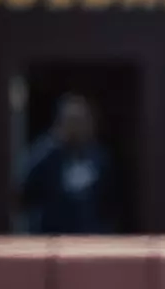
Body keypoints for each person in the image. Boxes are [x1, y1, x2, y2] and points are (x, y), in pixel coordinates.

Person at [18, 94, 115, 234]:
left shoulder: (99, 157)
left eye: (81, 121)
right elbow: (25, 190)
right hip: (50, 237)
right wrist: (54, 143)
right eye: (72, 121)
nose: (76, 128)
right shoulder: (45, 153)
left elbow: (109, 201)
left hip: (89, 237)